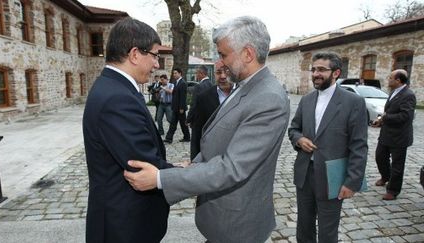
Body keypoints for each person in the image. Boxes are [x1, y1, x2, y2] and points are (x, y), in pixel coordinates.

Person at [123, 16, 290, 243]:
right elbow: (220, 141)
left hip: (237, 227)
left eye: (223, 54)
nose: (220, 62)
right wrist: (193, 165)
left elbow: (232, 167)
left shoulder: (268, 97)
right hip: (222, 221)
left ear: (248, 54)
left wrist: (161, 179)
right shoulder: (245, 86)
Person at [82, 17, 173, 243]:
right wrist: (191, 174)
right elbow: (142, 164)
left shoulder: (115, 88)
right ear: (134, 54)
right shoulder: (117, 98)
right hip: (123, 227)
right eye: (154, 55)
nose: (156, 64)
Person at [288, 52, 368, 243]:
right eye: (314, 69)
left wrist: (351, 182)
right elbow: (294, 129)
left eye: (322, 70)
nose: (316, 73)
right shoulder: (306, 100)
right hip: (305, 174)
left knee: (327, 231)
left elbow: (359, 145)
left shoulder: (353, 102)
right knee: (304, 225)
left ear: (336, 73)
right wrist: (299, 140)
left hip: (332, 177)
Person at [371, 69, 416, 200]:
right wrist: (380, 121)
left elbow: (406, 116)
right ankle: (385, 176)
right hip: (386, 134)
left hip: (399, 137)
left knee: (397, 165)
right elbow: (390, 111)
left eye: (390, 77)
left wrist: (385, 117)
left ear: (398, 80)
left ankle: (393, 190)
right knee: (380, 157)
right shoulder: (394, 92)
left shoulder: (408, 95)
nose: (388, 79)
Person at [188, 61, 233, 160]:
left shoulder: (244, 94)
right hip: (212, 158)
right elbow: (197, 133)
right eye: (218, 72)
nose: (223, 76)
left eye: (227, 72)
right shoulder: (204, 98)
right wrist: (195, 162)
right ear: (214, 74)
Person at [164, 68, 191, 143]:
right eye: (173, 73)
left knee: (183, 124)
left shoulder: (183, 83)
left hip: (180, 108)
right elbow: (174, 94)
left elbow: (183, 97)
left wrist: (182, 108)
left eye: (176, 73)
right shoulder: (176, 82)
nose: (174, 75)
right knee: (173, 123)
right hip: (175, 107)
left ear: (180, 73)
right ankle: (169, 138)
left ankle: (187, 137)